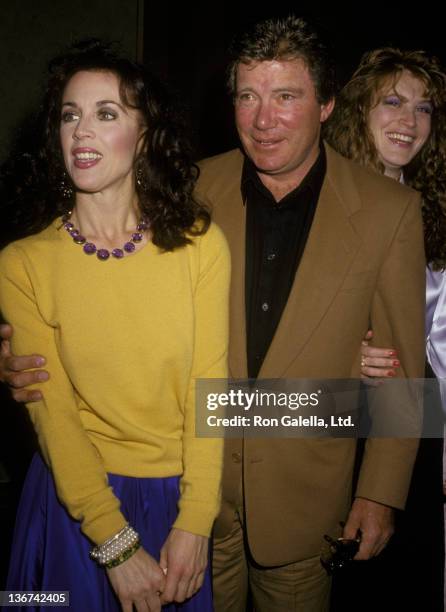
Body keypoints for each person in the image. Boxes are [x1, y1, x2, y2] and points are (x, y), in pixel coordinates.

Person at [0, 17, 426, 612]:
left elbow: (405, 368)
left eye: (285, 96)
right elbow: (97, 278)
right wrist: (23, 357)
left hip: (303, 500)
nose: (262, 119)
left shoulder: (390, 211)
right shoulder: (191, 191)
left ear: (327, 104)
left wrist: (380, 494)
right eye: (247, 96)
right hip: (195, 495)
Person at [0, 40, 230, 612]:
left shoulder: (201, 245)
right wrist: (116, 544)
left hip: (179, 503)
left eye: (106, 114)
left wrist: (196, 522)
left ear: (146, 135)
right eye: (70, 115)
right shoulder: (22, 263)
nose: (81, 131)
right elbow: (53, 417)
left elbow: (211, 386)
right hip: (71, 505)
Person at [324, 47, 446, 610]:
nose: (410, 120)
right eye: (393, 102)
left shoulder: (433, 211)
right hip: (329, 424)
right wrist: (347, 353)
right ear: (356, 111)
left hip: (419, 425)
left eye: (424, 108)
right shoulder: (320, 203)